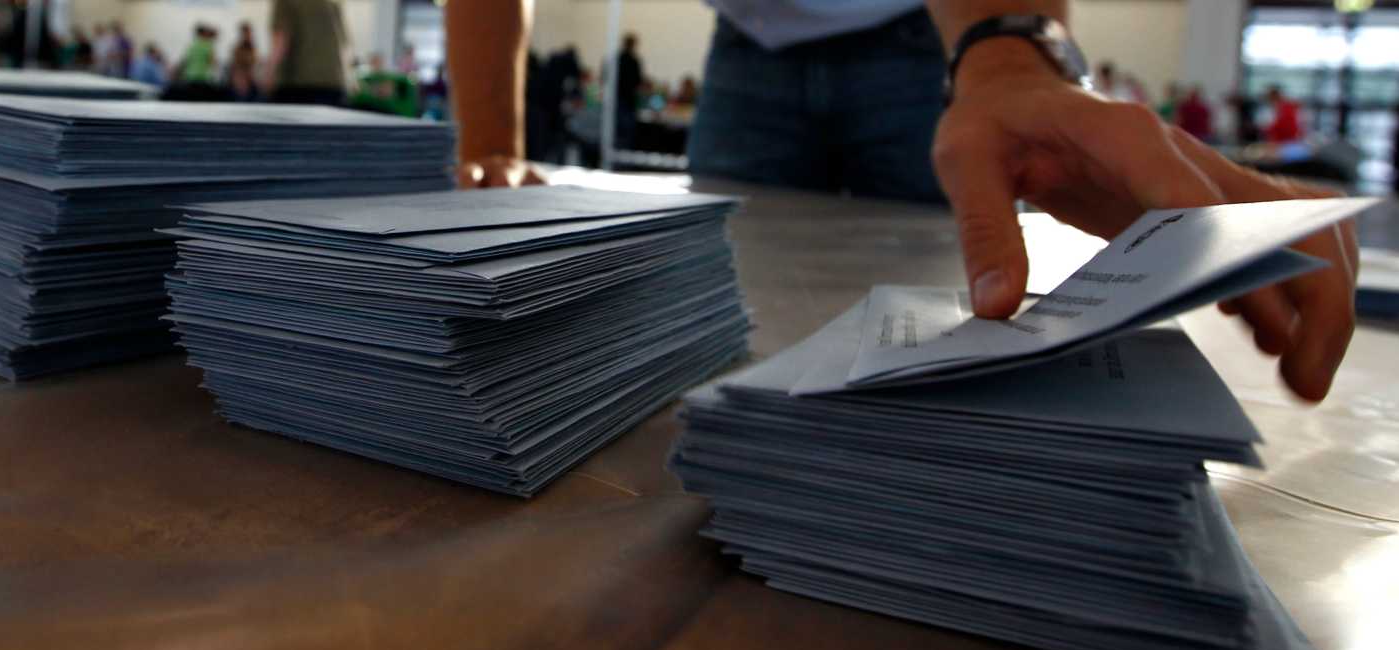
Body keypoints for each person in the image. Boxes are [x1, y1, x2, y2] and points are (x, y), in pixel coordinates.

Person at [447, 0, 1359, 403]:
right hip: (748, 42)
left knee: (950, 318)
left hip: (923, 38)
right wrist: (491, 146)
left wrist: (1003, 57)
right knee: (712, 337)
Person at [266, 0, 350, 106]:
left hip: (298, 84)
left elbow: (281, 40)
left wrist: (269, 73)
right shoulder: (332, 3)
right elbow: (343, 46)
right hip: (334, 84)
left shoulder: (285, 2)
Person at [613, 33, 644, 150]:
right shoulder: (634, 61)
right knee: (626, 137)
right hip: (628, 101)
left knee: (615, 134)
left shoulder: (616, 60)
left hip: (616, 101)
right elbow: (638, 82)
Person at [229, 22, 260, 101]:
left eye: (249, 33)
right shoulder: (238, 48)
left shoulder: (252, 47)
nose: (249, 35)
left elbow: (254, 61)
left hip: (249, 78)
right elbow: (237, 64)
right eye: (247, 33)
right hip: (240, 79)